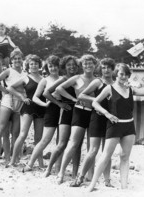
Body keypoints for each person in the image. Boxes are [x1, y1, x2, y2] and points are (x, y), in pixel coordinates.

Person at [87, 63, 144, 191]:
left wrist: (140, 85)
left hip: (129, 126)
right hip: (114, 126)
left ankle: (124, 187)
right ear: (116, 74)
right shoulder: (109, 88)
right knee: (105, 156)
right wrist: (107, 114)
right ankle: (92, 185)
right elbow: (94, 102)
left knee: (125, 157)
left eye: (126, 74)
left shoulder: (131, 89)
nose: (123, 77)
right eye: (121, 74)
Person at [70, 58, 116, 187]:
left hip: (110, 119)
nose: (106, 70)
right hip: (96, 117)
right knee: (93, 150)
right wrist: (96, 99)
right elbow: (81, 95)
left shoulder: (116, 84)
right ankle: (80, 177)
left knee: (107, 152)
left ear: (113, 69)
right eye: (103, 67)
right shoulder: (98, 82)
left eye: (108, 67)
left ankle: (107, 181)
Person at [56, 54, 97, 184]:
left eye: (90, 63)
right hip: (79, 112)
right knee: (73, 143)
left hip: (93, 113)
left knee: (91, 147)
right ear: (82, 66)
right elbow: (59, 88)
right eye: (85, 63)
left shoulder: (97, 80)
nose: (88, 65)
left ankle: (89, 176)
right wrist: (74, 99)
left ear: (94, 65)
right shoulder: (77, 78)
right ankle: (61, 173)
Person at [22, 55, 63, 172]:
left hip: (63, 110)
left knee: (60, 141)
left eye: (55, 66)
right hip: (50, 110)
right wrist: (44, 105)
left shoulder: (63, 78)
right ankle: (30, 164)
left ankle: (58, 167)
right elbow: (35, 97)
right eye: (50, 66)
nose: (53, 68)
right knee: (45, 139)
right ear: (47, 67)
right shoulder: (45, 80)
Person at [43, 55, 80, 177]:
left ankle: (74, 173)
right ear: (64, 67)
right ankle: (49, 169)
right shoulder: (63, 79)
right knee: (62, 143)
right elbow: (46, 93)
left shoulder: (79, 79)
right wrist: (59, 103)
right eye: (69, 65)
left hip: (79, 112)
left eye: (74, 64)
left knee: (77, 145)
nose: (72, 67)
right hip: (66, 111)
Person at [7, 54, 45, 166]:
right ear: (28, 65)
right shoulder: (25, 78)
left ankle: (41, 162)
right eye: (31, 64)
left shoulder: (44, 79)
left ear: (39, 65)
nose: (33, 66)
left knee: (39, 137)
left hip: (41, 108)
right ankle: (13, 160)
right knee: (23, 134)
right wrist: (22, 97)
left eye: (36, 64)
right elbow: (10, 87)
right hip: (28, 107)